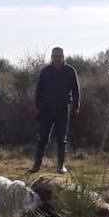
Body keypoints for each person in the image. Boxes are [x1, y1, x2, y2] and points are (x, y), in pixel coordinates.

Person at [30, 45, 81, 174]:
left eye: (59, 56)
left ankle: (61, 165)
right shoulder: (45, 71)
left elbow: (75, 90)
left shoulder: (70, 71)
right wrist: (36, 106)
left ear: (63, 57)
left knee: (61, 139)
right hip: (46, 109)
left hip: (62, 109)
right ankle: (36, 165)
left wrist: (76, 106)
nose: (57, 58)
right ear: (51, 57)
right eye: (54, 56)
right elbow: (39, 90)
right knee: (42, 138)